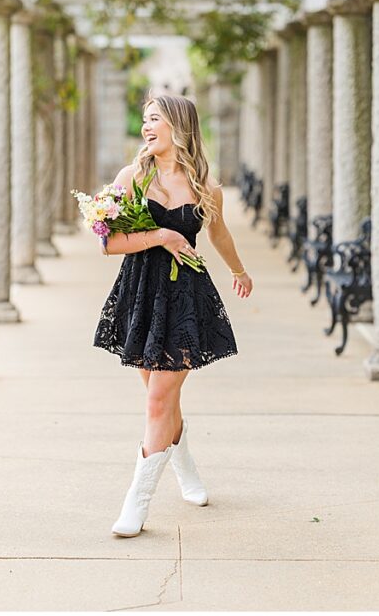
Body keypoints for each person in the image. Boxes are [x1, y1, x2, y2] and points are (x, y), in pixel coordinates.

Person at [93, 94, 253, 538]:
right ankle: (188, 472)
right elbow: (107, 244)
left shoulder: (206, 185)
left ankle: (136, 504)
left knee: (157, 401)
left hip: (185, 297)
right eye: (144, 119)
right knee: (162, 399)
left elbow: (218, 233)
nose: (146, 127)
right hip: (141, 294)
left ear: (178, 126)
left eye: (155, 119)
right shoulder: (132, 179)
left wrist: (239, 270)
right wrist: (161, 234)